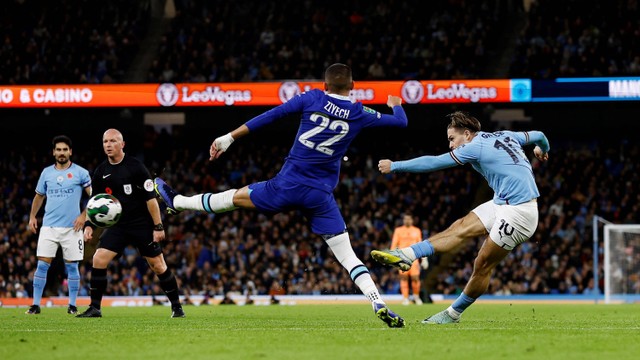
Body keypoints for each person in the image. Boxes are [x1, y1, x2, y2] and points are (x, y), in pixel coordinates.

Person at [155, 63, 408, 327]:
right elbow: (401, 122)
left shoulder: (312, 97)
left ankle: (179, 202)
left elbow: (272, 116)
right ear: (353, 86)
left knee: (232, 198)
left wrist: (230, 137)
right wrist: (395, 103)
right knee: (347, 256)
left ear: (324, 85)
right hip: (320, 196)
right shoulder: (359, 112)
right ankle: (377, 300)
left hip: (286, 187)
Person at [371, 111, 550, 324]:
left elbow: (435, 163)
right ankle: (408, 254)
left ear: (467, 134)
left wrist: (396, 166)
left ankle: (453, 313)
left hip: (520, 214)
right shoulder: (506, 135)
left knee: (482, 264)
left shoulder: (474, 147)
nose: (450, 144)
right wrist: (542, 149)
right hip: (501, 202)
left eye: (452, 139)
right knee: (460, 227)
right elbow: (539, 135)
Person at [76, 129, 185, 318]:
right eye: (105, 141)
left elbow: (150, 199)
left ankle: (177, 307)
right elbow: (94, 202)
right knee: (99, 259)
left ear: (122, 144)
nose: (108, 145)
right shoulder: (101, 171)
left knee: (158, 265)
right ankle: (95, 308)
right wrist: (89, 225)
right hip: (118, 225)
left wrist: (157, 226)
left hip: (141, 223)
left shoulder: (136, 167)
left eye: (112, 141)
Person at [26, 135, 92, 315]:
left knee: (72, 266)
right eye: (58, 150)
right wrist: (32, 216)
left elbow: (94, 197)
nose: (61, 153)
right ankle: (35, 305)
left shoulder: (81, 173)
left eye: (65, 150)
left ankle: (72, 305)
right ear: (54, 152)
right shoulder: (46, 173)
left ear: (70, 152)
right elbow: (39, 196)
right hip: (48, 227)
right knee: (42, 265)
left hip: (73, 228)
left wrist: (83, 215)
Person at [390, 213, 429, 305]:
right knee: (404, 278)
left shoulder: (417, 230)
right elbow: (394, 245)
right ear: (403, 220)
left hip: (414, 258)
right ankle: (405, 298)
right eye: (405, 219)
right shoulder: (398, 230)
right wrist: (392, 259)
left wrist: (424, 259)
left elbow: (420, 245)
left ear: (412, 220)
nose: (407, 221)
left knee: (415, 278)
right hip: (402, 257)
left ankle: (416, 297)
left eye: (409, 219)